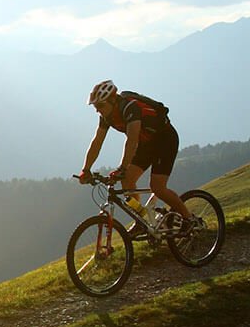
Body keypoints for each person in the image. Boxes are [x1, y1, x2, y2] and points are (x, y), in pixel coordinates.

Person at [77, 79, 195, 235]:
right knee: (127, 180)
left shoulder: (130, 108)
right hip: (146, 143)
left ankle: (189, 219)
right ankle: (141, 221)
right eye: (95, 107)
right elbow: (97, 142)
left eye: (100, 106)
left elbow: (132, 140)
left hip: (165, 140)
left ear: (112, 100)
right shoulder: (106, 115)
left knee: (157, 187)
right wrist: (86, 169)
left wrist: (122, 168)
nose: (97, 110)